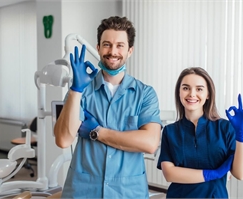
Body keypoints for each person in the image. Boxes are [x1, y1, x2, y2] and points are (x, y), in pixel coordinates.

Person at [54, 16, 163, 199]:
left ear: (130, 51)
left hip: (127, 191)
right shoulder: (82, 91)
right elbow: (63, 139)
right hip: (84, 190)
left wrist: (96, 132)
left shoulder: (145, 94)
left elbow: (150, 143)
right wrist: (75, 89)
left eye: (120, 45)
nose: (113, 51)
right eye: (107, 44)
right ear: (98, 48)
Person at [157, 67, 243, 198]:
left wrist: (242, 134)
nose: (192, 94)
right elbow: (169, 174)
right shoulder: (170, 131)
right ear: (179, 92)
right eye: (186, 88)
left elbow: (240, 174)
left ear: (208, 94)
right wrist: (212, 174)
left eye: (199, 89)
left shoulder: (225, 128)